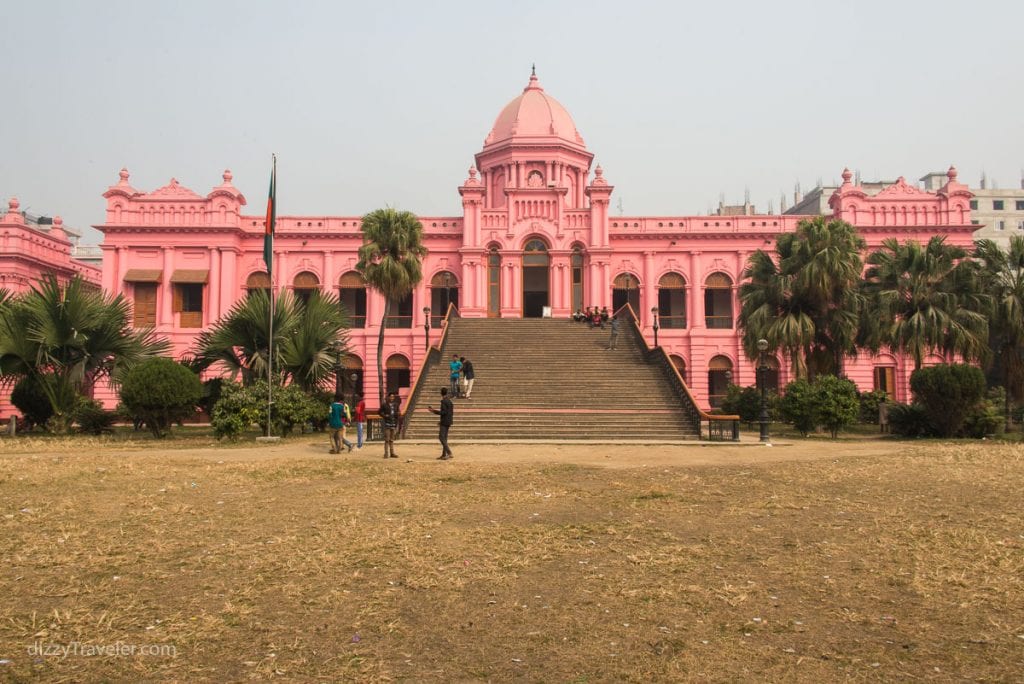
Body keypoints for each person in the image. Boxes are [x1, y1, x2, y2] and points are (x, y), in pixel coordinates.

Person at [427, 387, 454, 460]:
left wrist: (433, 411)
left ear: (441, 393)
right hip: (448, 421)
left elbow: (444, 412)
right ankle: (444, 454)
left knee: (441, 437)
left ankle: (449, 452)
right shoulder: (450, 401)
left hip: (445, 422)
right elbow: (450, 412)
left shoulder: (443, 401)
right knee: (444, 438)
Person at [379, 391, 400, 459]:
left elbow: (398, 411)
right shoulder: (384, 404)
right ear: (388, 397)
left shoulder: (396, 404)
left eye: (393, 397)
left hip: (394, 423)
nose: (391, 398)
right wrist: (385, 416)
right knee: (387, 439)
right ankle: (386, 453)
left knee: (392, 439)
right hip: (387, 423)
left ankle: (392, 453)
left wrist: (398, 414)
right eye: (390, 396)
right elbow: (379, 412)